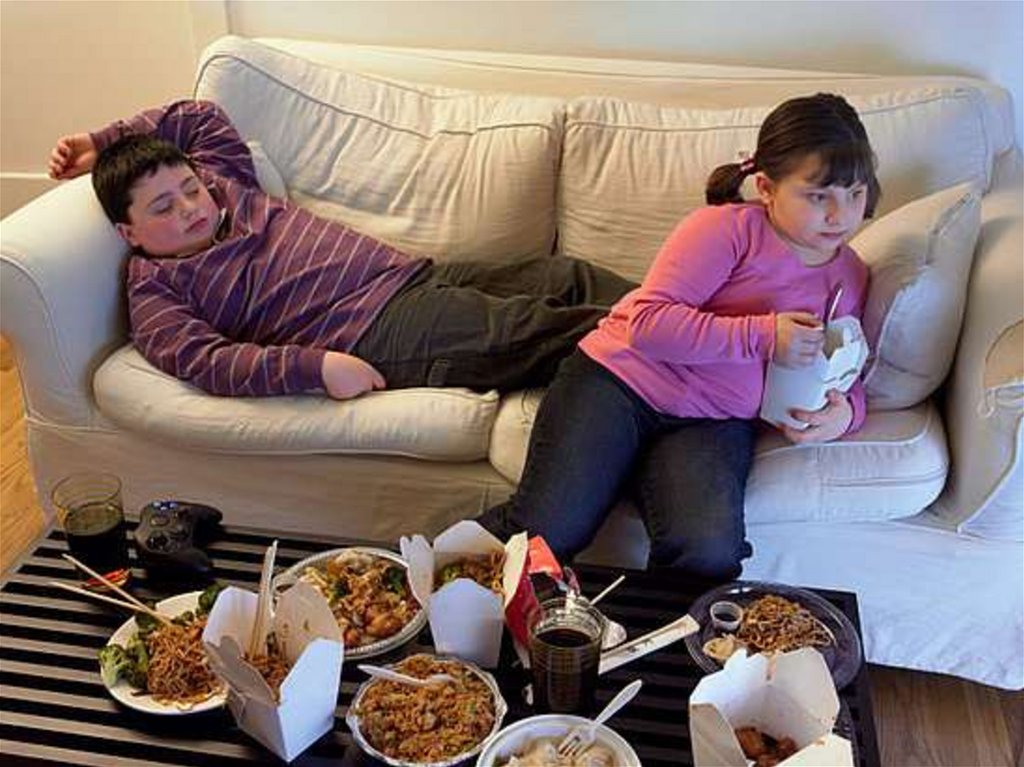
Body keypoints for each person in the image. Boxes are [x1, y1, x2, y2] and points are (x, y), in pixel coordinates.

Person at [478, 93, 879, 579]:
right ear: (766, 188)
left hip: (712, 422)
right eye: (819, 197)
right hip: (620, 384)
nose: (840, 215)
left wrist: (846, 412)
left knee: (707, 552)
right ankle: (412, 586)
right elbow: (649, 323)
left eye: (855, 194)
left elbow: (846, 364)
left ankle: (645, 629)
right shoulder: (726, 230)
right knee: (548, 532)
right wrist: (762, 335)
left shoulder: (851, 275)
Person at [47, 100, 634, 399]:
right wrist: (315, 367)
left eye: (189, 189)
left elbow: (195, 115)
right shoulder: (156, 289)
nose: (189, 208)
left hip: (411, 275)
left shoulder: (226, 184)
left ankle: (682, 313)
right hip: (369, 329)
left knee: (566, 277)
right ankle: (682, 343)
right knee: (536, 328)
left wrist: (103, 140)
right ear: (128, 232)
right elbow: (208, 362)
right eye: (162, 208)